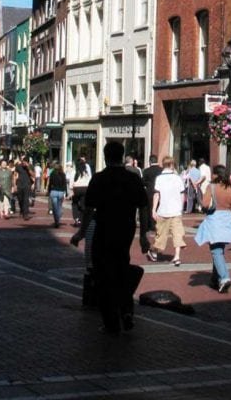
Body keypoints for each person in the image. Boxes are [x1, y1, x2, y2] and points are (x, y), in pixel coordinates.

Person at [71, 141, 147, 335]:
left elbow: (89, 210)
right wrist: (144, 236)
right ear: (122, 156)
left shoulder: (99, 179)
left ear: (105, 156)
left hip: (104, 230)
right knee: (122, 268)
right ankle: (127, 310)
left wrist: (81, 232)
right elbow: (143, 208)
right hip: (126, 230)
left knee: (103, 275)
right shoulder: (133, 179)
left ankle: (111, 322)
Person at [195, 165, 231, 293]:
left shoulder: (211, 187)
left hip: (214, 220)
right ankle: (215, 278)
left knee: (216, 251)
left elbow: (205, 204)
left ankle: (224, 277)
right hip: (226, 221)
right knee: (219, 249)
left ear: (216, 175)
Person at [150, 155, 186, 265]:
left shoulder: (159, 178)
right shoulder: (177, 178)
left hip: (163, 210)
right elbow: (182, 194)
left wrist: (154, 210)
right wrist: (180, 208)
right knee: (177, 234)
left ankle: (154, 252)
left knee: (160, 234)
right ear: (172, 165)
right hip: (176, 210)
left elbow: (157, 195)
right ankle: (177, 256)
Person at [139, 155, 161, 253]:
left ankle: (151, 224)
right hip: (160, 192)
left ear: (150, 161)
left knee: (150, 209)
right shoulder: (161, 170)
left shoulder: (146, 171)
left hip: (150, 192)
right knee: (159, 208)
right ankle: (158, 224)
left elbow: (143, 182)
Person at [71, 158, 91, 225]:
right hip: (85, 188)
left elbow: (72, 182)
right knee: (83, 204)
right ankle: (81, 219)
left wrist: (72, 190)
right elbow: (89, 181)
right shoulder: (86, 173)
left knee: (74, 203)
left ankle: (76, 218)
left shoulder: (75, 172)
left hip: (77, 189)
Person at [48, 162, 68, 227]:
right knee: (59, 206)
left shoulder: (52, 174)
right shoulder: (63, 174)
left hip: (53, 191)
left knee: (54, 207)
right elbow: (65, 184)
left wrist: (48, 190)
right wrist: (66, 192)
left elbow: (50, 183)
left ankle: (56, 221)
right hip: (61, 192)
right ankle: (58, 218)